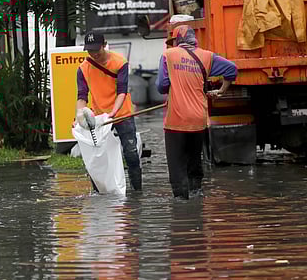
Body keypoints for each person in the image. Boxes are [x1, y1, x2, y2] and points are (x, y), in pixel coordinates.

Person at [156, 25, 237, 199]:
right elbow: (232, 69)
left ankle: (181, 202)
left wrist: (174, 84)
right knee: (194, 158)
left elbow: (161, 86)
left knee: (177, 164)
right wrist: (222, 90)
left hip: (176, 119)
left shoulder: (168, 56)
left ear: (178, 40)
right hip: (199, 119)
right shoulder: (207, 56)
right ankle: (197, 192)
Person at [76, 31, 142, 191]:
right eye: (90, 51)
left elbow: (122, 91)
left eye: (96, 50)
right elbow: (82, 95)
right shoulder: (83, 68)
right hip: (99, 118)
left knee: (131, 154)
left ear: (104, 45)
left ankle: (136, 191)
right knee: (98, 158)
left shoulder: (120, 63)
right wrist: (79, 113)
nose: (94, 54)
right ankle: (100, 191)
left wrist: (113, 112)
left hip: (122, 114)